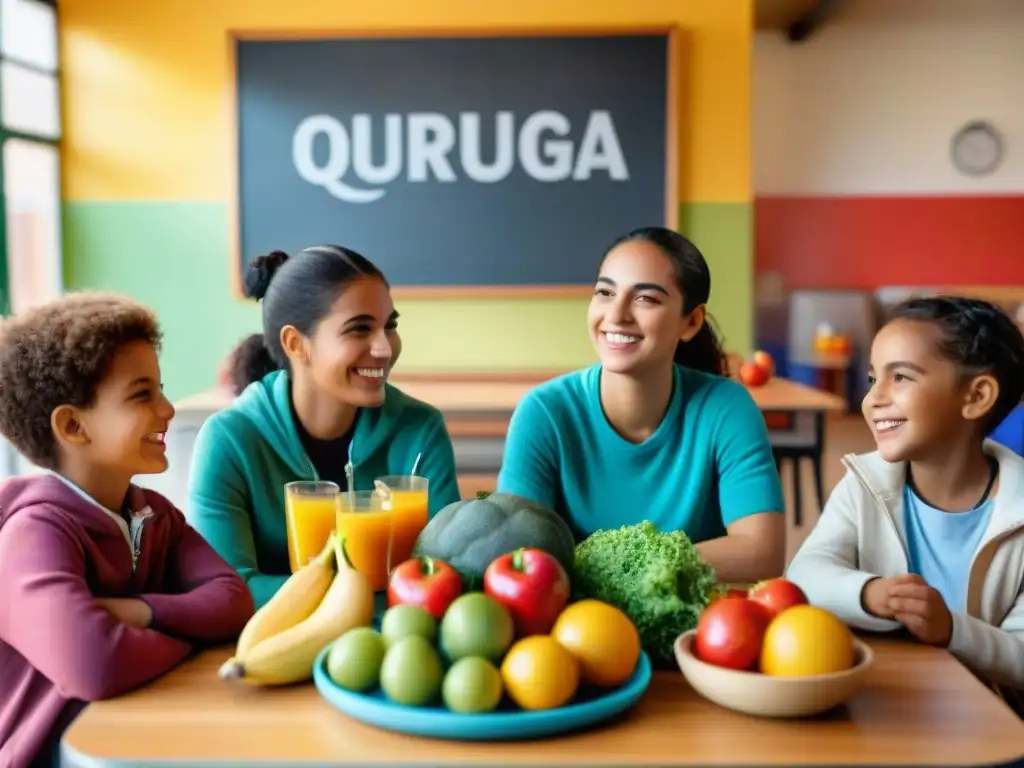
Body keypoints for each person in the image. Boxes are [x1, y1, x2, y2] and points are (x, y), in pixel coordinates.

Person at [0, 293, 254, 768]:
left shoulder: (153, 513)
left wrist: (133, 614)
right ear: (73, 425)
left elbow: (233, 602)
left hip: (136, 738)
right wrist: (189, 633)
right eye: (142, 395)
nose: (167, 409)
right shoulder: (32, 534)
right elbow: (94, 665)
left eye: (161, 389)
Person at [496, 226, 786, 583]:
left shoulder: (727, 408)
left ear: (691, 321)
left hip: (695, 634)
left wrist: (608, 564)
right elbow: (516, 558)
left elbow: (762, 552)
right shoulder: (544, 413)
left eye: (645, 298)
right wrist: (657, 568)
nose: (616, 315)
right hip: (571, 631)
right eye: (605, 292)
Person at [187, 245, 461, 609]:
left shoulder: (421, 431)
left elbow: (448, 573)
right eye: (359, 329)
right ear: (296, 344)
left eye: (389, 326)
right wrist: (370, 597)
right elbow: (225, 592)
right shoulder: (230, 441)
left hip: (400, 650)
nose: (383, 348)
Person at [786, 296, 1024, 711]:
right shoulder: (863, 482)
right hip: (883, 702)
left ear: (977, 396)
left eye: (900, 378)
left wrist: (951, 629)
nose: (873, 397)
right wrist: (868, 594)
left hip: (990, 724)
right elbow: (803, 574)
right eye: (873, 376)